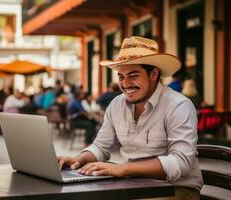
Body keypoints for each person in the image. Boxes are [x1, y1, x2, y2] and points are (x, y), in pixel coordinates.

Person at [58, 36, 203, 200]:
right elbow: (100, 146)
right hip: (132, 185)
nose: (125, 84)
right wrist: (76, 160)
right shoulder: (116, 105)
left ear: (154, 74)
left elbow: (180, 162)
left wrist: (123, 169)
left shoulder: (178, 105)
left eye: (133, 76)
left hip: (177, 190)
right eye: (121, 77)